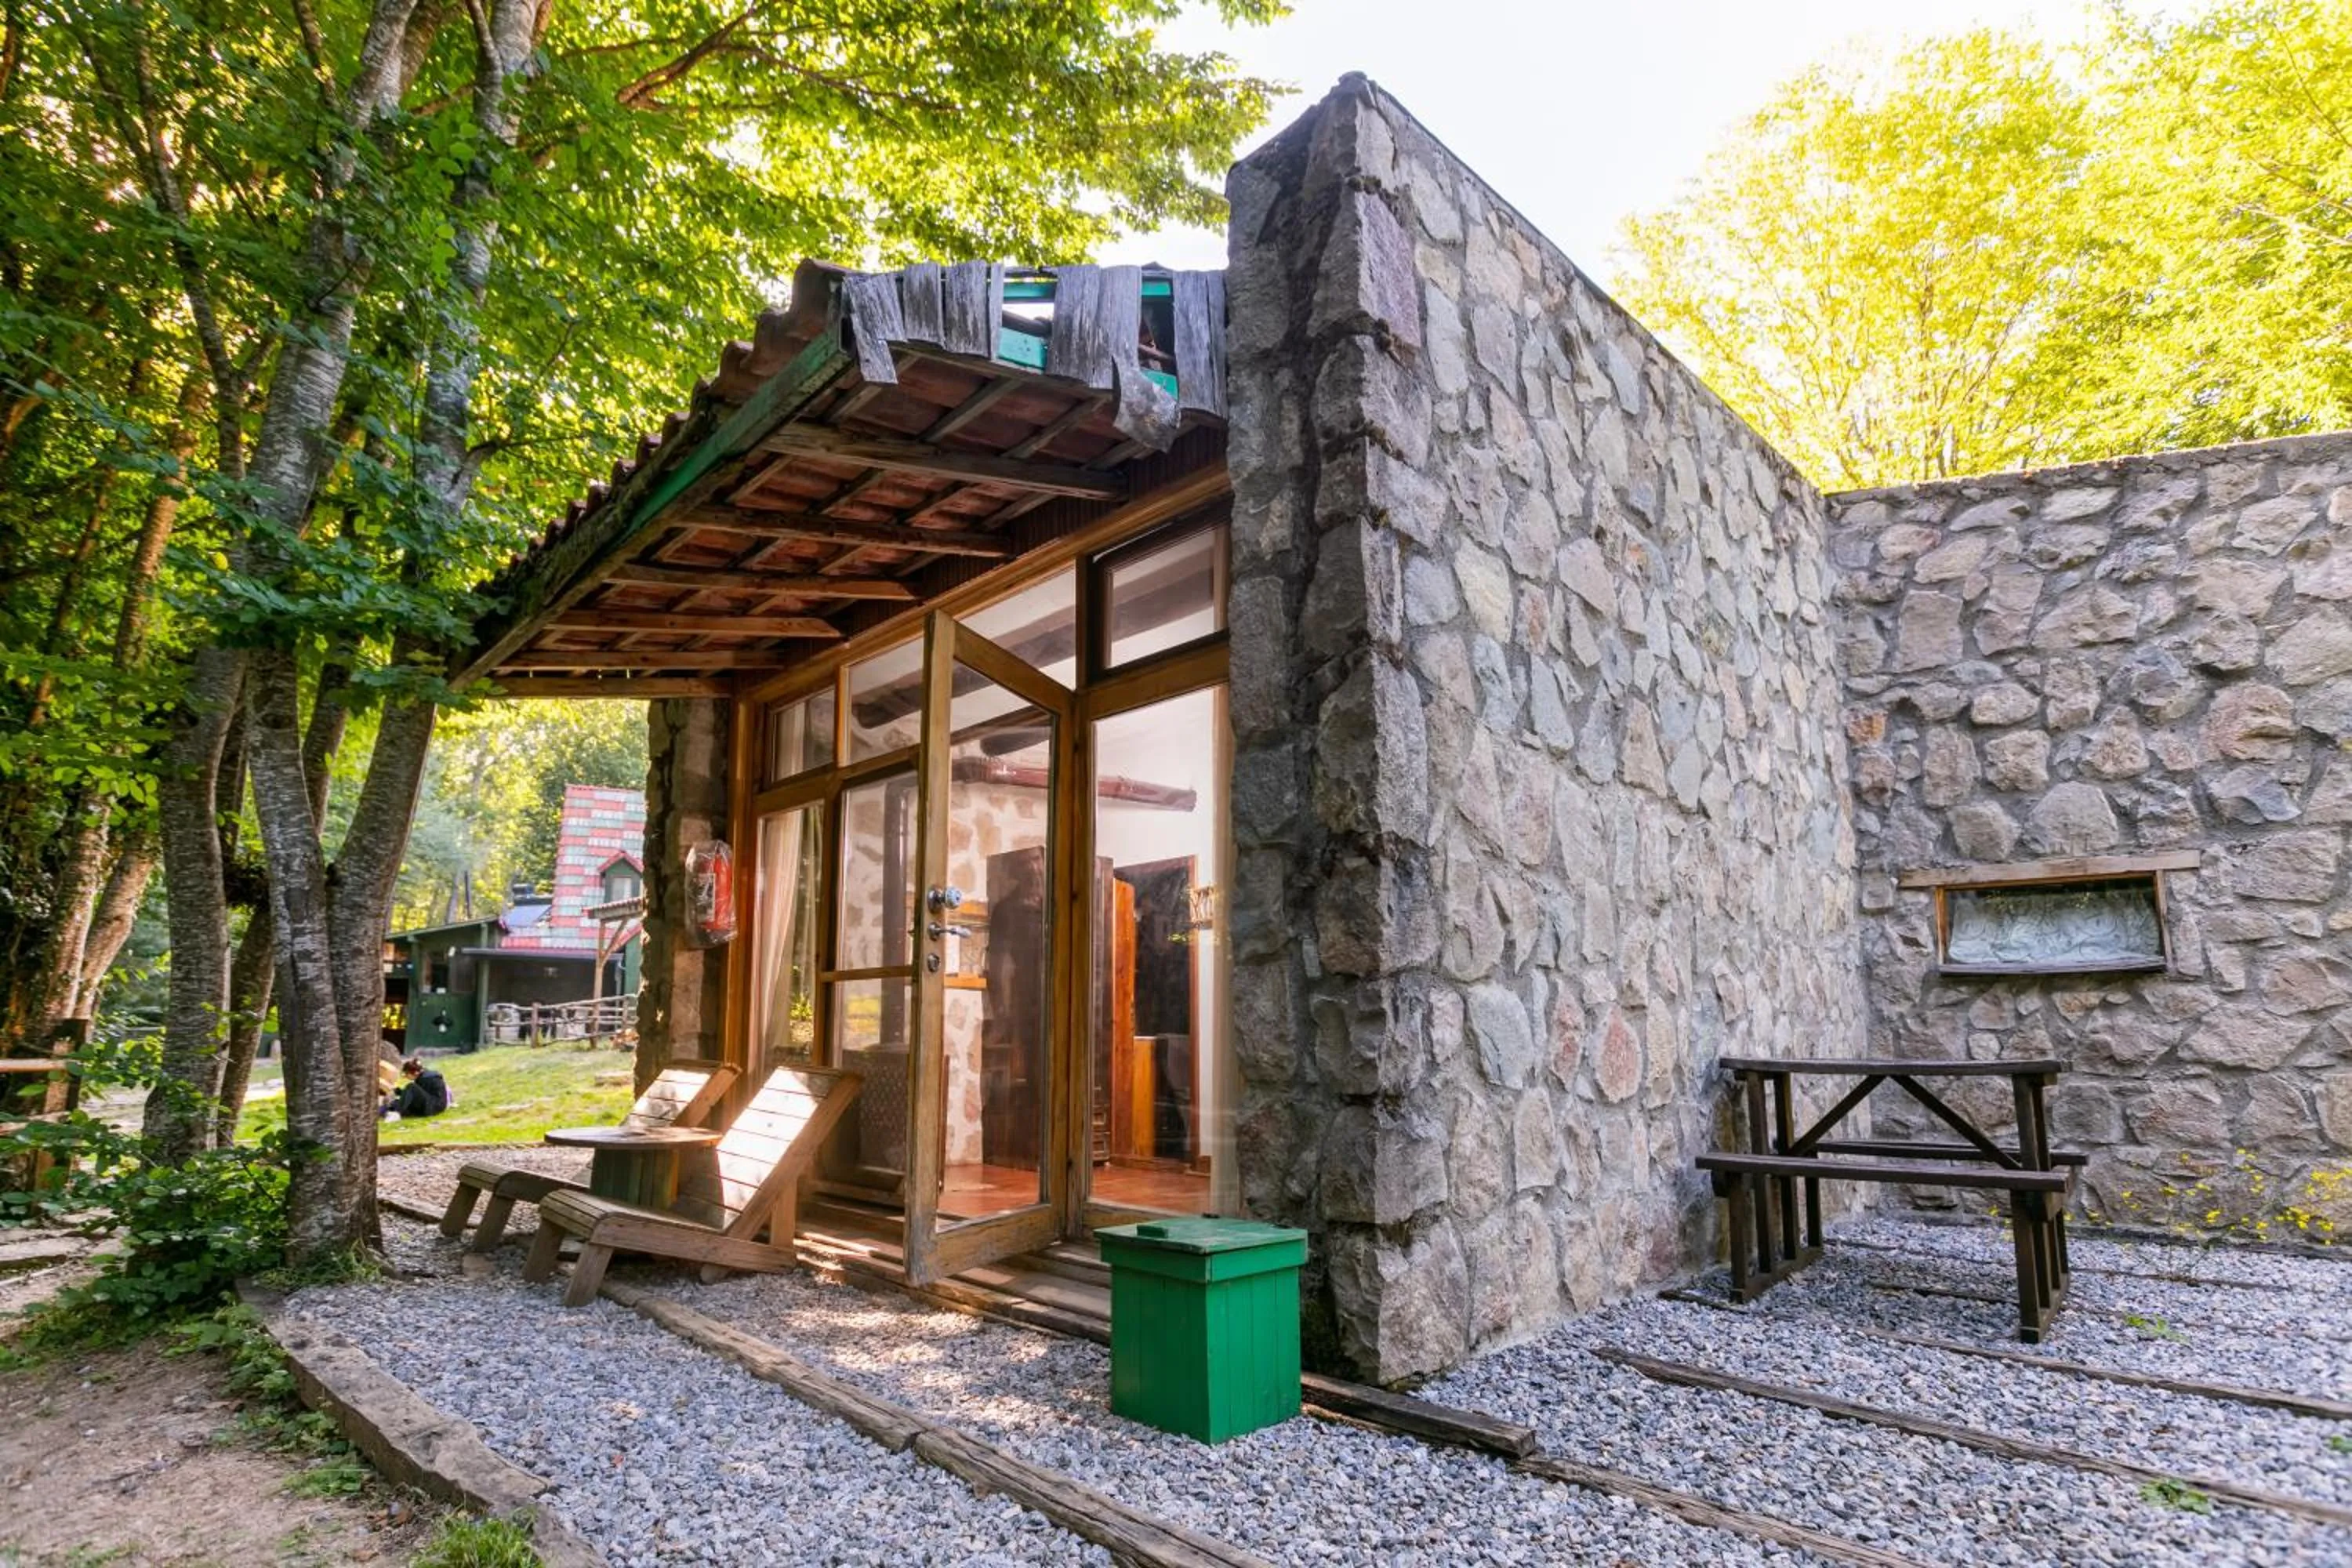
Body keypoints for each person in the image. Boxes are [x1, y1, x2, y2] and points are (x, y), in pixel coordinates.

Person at [382, 1057, 452, 1120]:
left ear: (415, 1073)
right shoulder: (424, 1076)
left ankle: (397, 1113)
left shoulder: (427, 1078)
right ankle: (385, 1110)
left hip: (434, 1107)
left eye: (407, 1074)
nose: (406, 1076)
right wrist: (398, 1091)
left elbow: (417, 1096)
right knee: (398, 1102)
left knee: (411, 1087)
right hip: (432, 1104)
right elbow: (418, 1096)